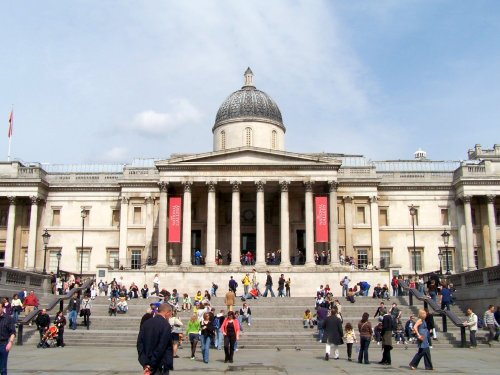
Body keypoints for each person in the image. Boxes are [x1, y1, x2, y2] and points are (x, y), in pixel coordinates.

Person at [137, 303, 174, 375]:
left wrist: (145, 363)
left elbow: (139, 344)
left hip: (147, 363)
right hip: (160, 364)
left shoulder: (146, 323)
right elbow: (161, 347)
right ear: (167, 312)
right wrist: (151, 365)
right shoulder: (165, 325)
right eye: (171, 314)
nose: (170, 316)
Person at [0, 301, 16, 374]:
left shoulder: (8, 318)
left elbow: (13, 332)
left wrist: (10, 342)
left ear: (2, 308)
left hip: (3, 344)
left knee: (3, 367)